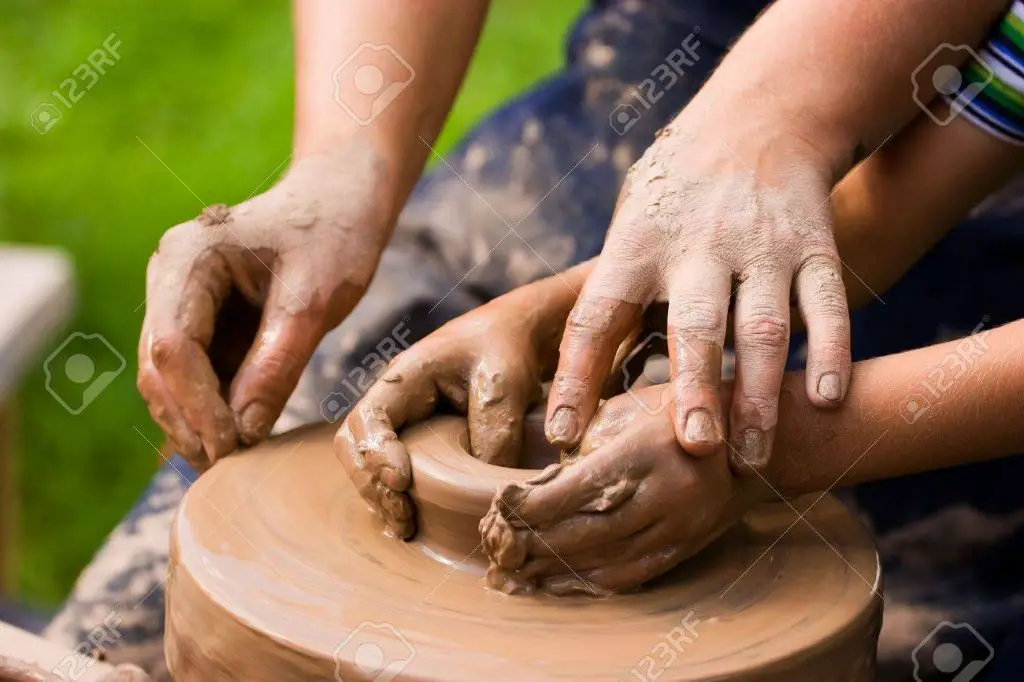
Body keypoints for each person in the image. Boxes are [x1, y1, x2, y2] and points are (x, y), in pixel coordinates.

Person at [45, 0, 1022, 679]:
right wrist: (348, 170)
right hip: (691, 87)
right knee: (119, 634)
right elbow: (969, 124)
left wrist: (783, 445)